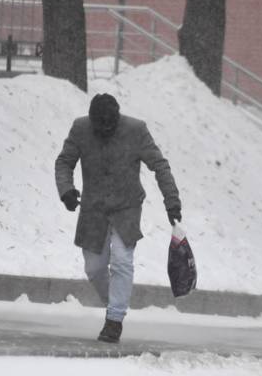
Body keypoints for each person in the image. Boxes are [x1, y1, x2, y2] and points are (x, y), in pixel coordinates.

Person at [55, 93, 181, 343]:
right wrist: (66, 190)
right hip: (94, 209)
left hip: (127, 208)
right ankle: (114, 302)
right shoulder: (81, 128)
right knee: (94, 268)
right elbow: (64, 162)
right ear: (91, 120)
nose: (103, 130)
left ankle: (114, 319)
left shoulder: (136, 130)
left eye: (108, 126)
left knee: (122, 261)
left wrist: (172, 202)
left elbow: (160, 166)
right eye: (98, 125)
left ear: (116, 119)